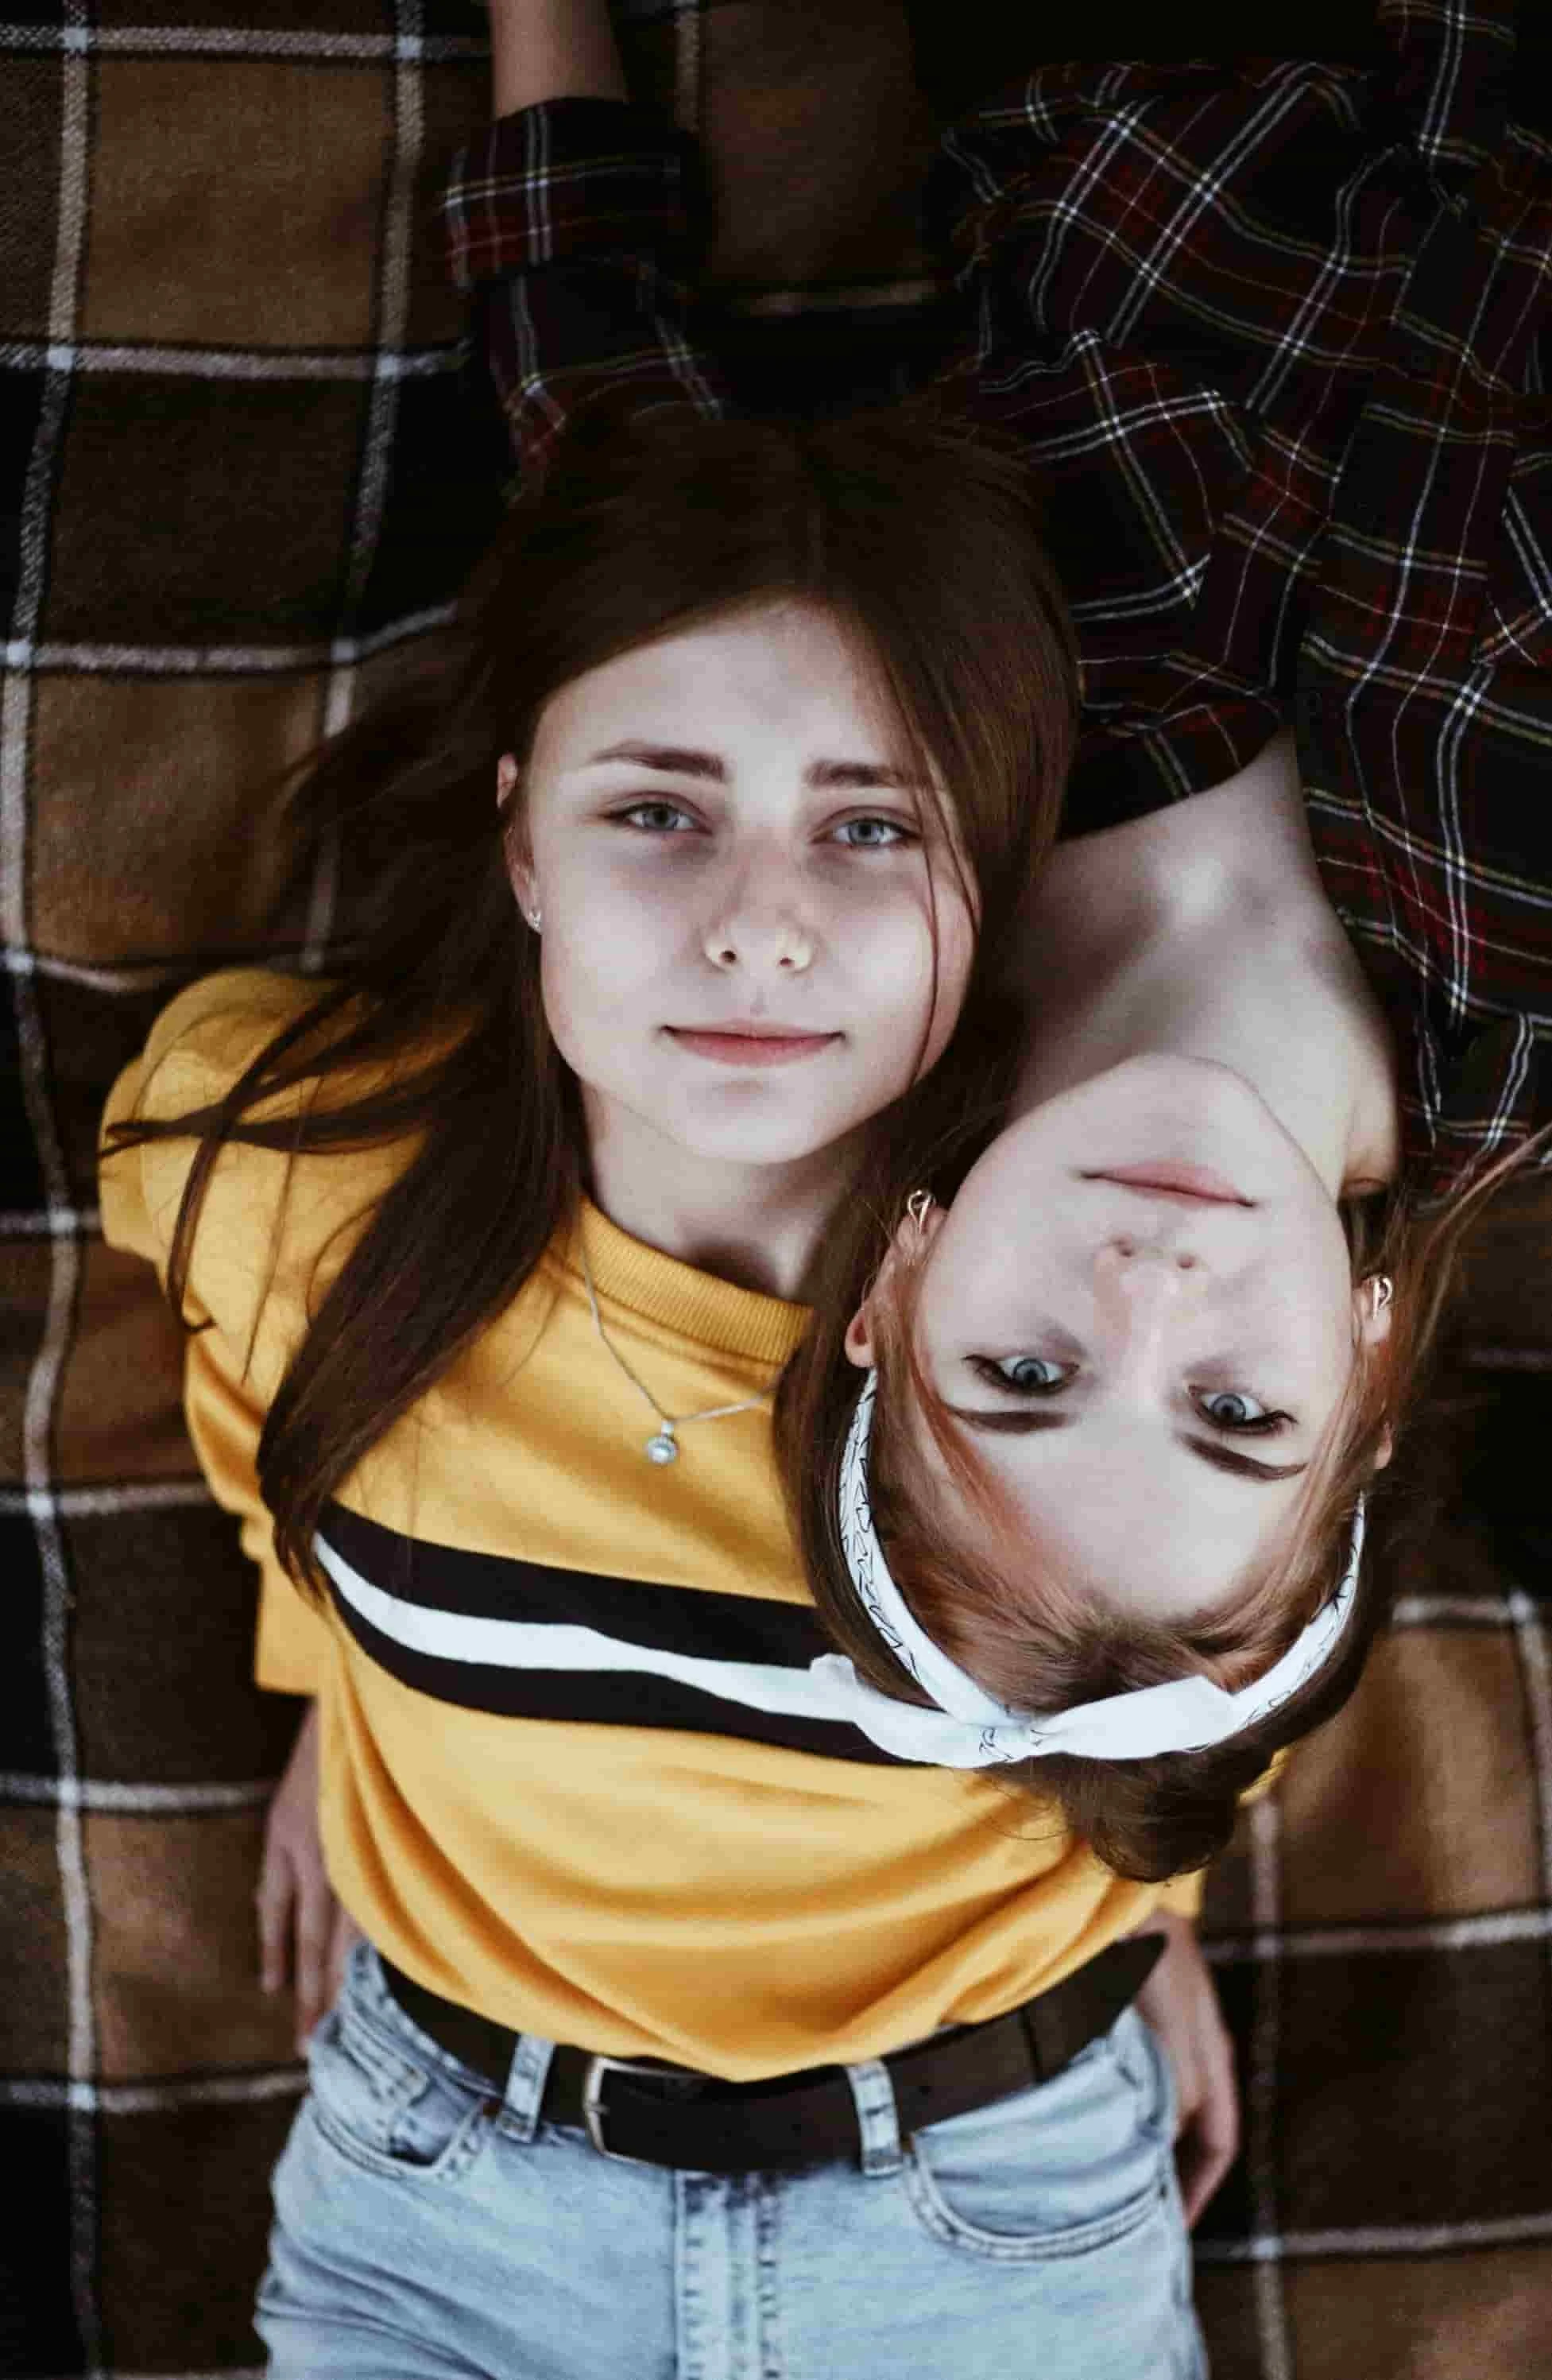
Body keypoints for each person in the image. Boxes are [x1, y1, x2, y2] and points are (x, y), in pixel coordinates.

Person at [99, 363, 1229, 2375]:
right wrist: (341, 1698)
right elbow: (264, 1448)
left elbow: (1223, 1615)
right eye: (657, 813)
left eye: (869, 826)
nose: (758, 931)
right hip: (445, 2195)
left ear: (991, 876)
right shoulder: (275, 1173)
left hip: (989, 2197)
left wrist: (1156, 1905)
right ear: (524, 841)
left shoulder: (1129, 1280)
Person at [445, 0, 1552, 1878]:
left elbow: (604, 437)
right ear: (1365, 1389)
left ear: (894, 1292)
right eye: (1237, 1412)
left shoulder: (863, 868)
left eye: (1024, 1379)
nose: (1151, 1288)